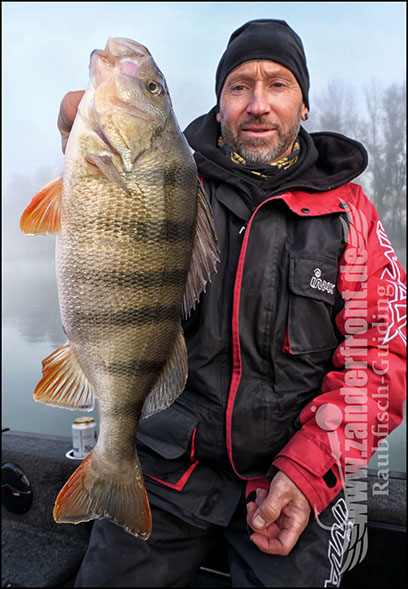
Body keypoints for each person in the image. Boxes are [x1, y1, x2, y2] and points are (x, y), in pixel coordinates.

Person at [58, 20, 406, 587]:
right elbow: (107, 222)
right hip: (166, 469)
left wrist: (309, 471)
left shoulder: (351, 216)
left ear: (304, 105)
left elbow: (381, 360)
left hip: (285, 475)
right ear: (219, 107)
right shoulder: (177, 183)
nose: (258, 104)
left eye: (278, 84)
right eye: (239, 86)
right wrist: (75, 137)